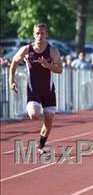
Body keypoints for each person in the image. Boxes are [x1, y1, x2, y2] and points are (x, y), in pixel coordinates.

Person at [8, 23, 63, 153]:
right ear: (34, 35)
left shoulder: (52, 50)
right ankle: (32, 106)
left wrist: (48, 65)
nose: (40, 36)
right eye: (37, 33)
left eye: (42, 33)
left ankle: (41, 146)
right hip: (34, 90)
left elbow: (60, 69)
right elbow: (14, 62)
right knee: (34, 114)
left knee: (49, 120)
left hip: (49, 91)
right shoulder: (26, 50)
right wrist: (12, 81)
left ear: (46, 35)